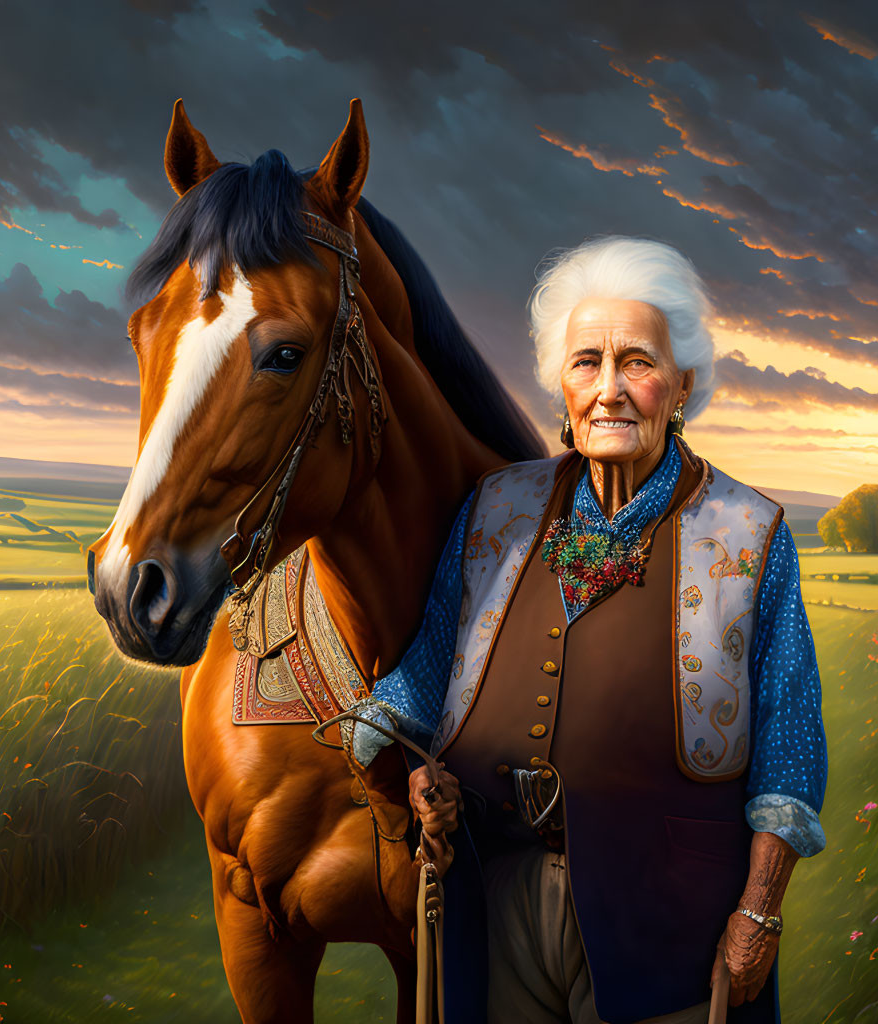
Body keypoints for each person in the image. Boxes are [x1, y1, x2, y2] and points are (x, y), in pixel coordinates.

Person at [345, 236, 828, 1024]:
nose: (608, 390)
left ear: (681, 387)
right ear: (559, 388)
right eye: (584, 364)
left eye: (636, 362)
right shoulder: (496, 508)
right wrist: (404, 762)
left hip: (669, 919)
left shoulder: (748, 533)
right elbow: (428, 673)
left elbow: (791, 749)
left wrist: (760, 913)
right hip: (501, 900)